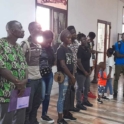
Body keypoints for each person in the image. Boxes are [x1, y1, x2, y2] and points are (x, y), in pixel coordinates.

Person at [0, 20, 27, 124]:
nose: (23, 30)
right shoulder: (1, 44)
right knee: (7, 119)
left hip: (22, 89)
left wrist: (24, 81)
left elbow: (25, 66)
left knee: (20, 117)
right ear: (11, 31)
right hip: (6, 90)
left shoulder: (19, 47)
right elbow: (1, 67)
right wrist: (18, 82)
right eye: (20, 28)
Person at [21, 22, 42, 124]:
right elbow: (20, 62)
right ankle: (26, 121)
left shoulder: (38, 44)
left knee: (37, 102)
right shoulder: (25, 44)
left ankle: (33, 120)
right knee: (27, 105)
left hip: (38, 78)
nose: (40, 29)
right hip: (29, 80)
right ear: (31, 30)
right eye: (38, 28)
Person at [57, 29, 76, 124]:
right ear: (63, 38)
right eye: (68, 37)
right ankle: (60, 118)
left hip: (70, 75)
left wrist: (72, 75)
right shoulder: (61, 49)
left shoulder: (68, 49)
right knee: (62, 97)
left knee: (68, 95)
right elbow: (63, 65)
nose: (70, 39)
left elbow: (70, 63)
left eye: (70, 37)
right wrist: (71, 76)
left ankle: (66, 113)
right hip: (64, 76)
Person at [39, 30, 55, 123]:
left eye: (50, 42)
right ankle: (32, 116)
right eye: (47, 41)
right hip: (40, 76)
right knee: (41, 96)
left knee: (47, 96)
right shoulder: (38, 48)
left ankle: (44, 115)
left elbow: (53, 61)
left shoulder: (51, 49)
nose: (48, 44)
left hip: (49, 74)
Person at [76, 33, 93, 111]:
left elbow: (88, 59)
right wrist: (84, 71)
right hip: (80, 72)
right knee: (80, 88)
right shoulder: (79, 49)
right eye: (83, 39)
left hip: (87, 70)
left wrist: (89, 69)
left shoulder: (87, 48)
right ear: (80, 41)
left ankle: (85, 100)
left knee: (87, 87)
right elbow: (78, 62)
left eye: (85, 39)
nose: (85, 40)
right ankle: (78, 103)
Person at [67, 26, 80, 112]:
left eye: (75, 32)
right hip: (68, 71)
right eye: (72, 32)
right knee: (67, 90)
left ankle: (71, 106)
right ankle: (66, 109)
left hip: (75, 70)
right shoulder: (65, 44)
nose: (74, 34)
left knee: (73, 89)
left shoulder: (76, 43)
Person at [113, 33, 124, 98]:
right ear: (122, 37)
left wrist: (121, 55)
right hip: (118, 63)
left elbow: (120, 55)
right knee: (116, 78)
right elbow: (117, 55)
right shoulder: (118, 44)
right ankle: (115, 91)